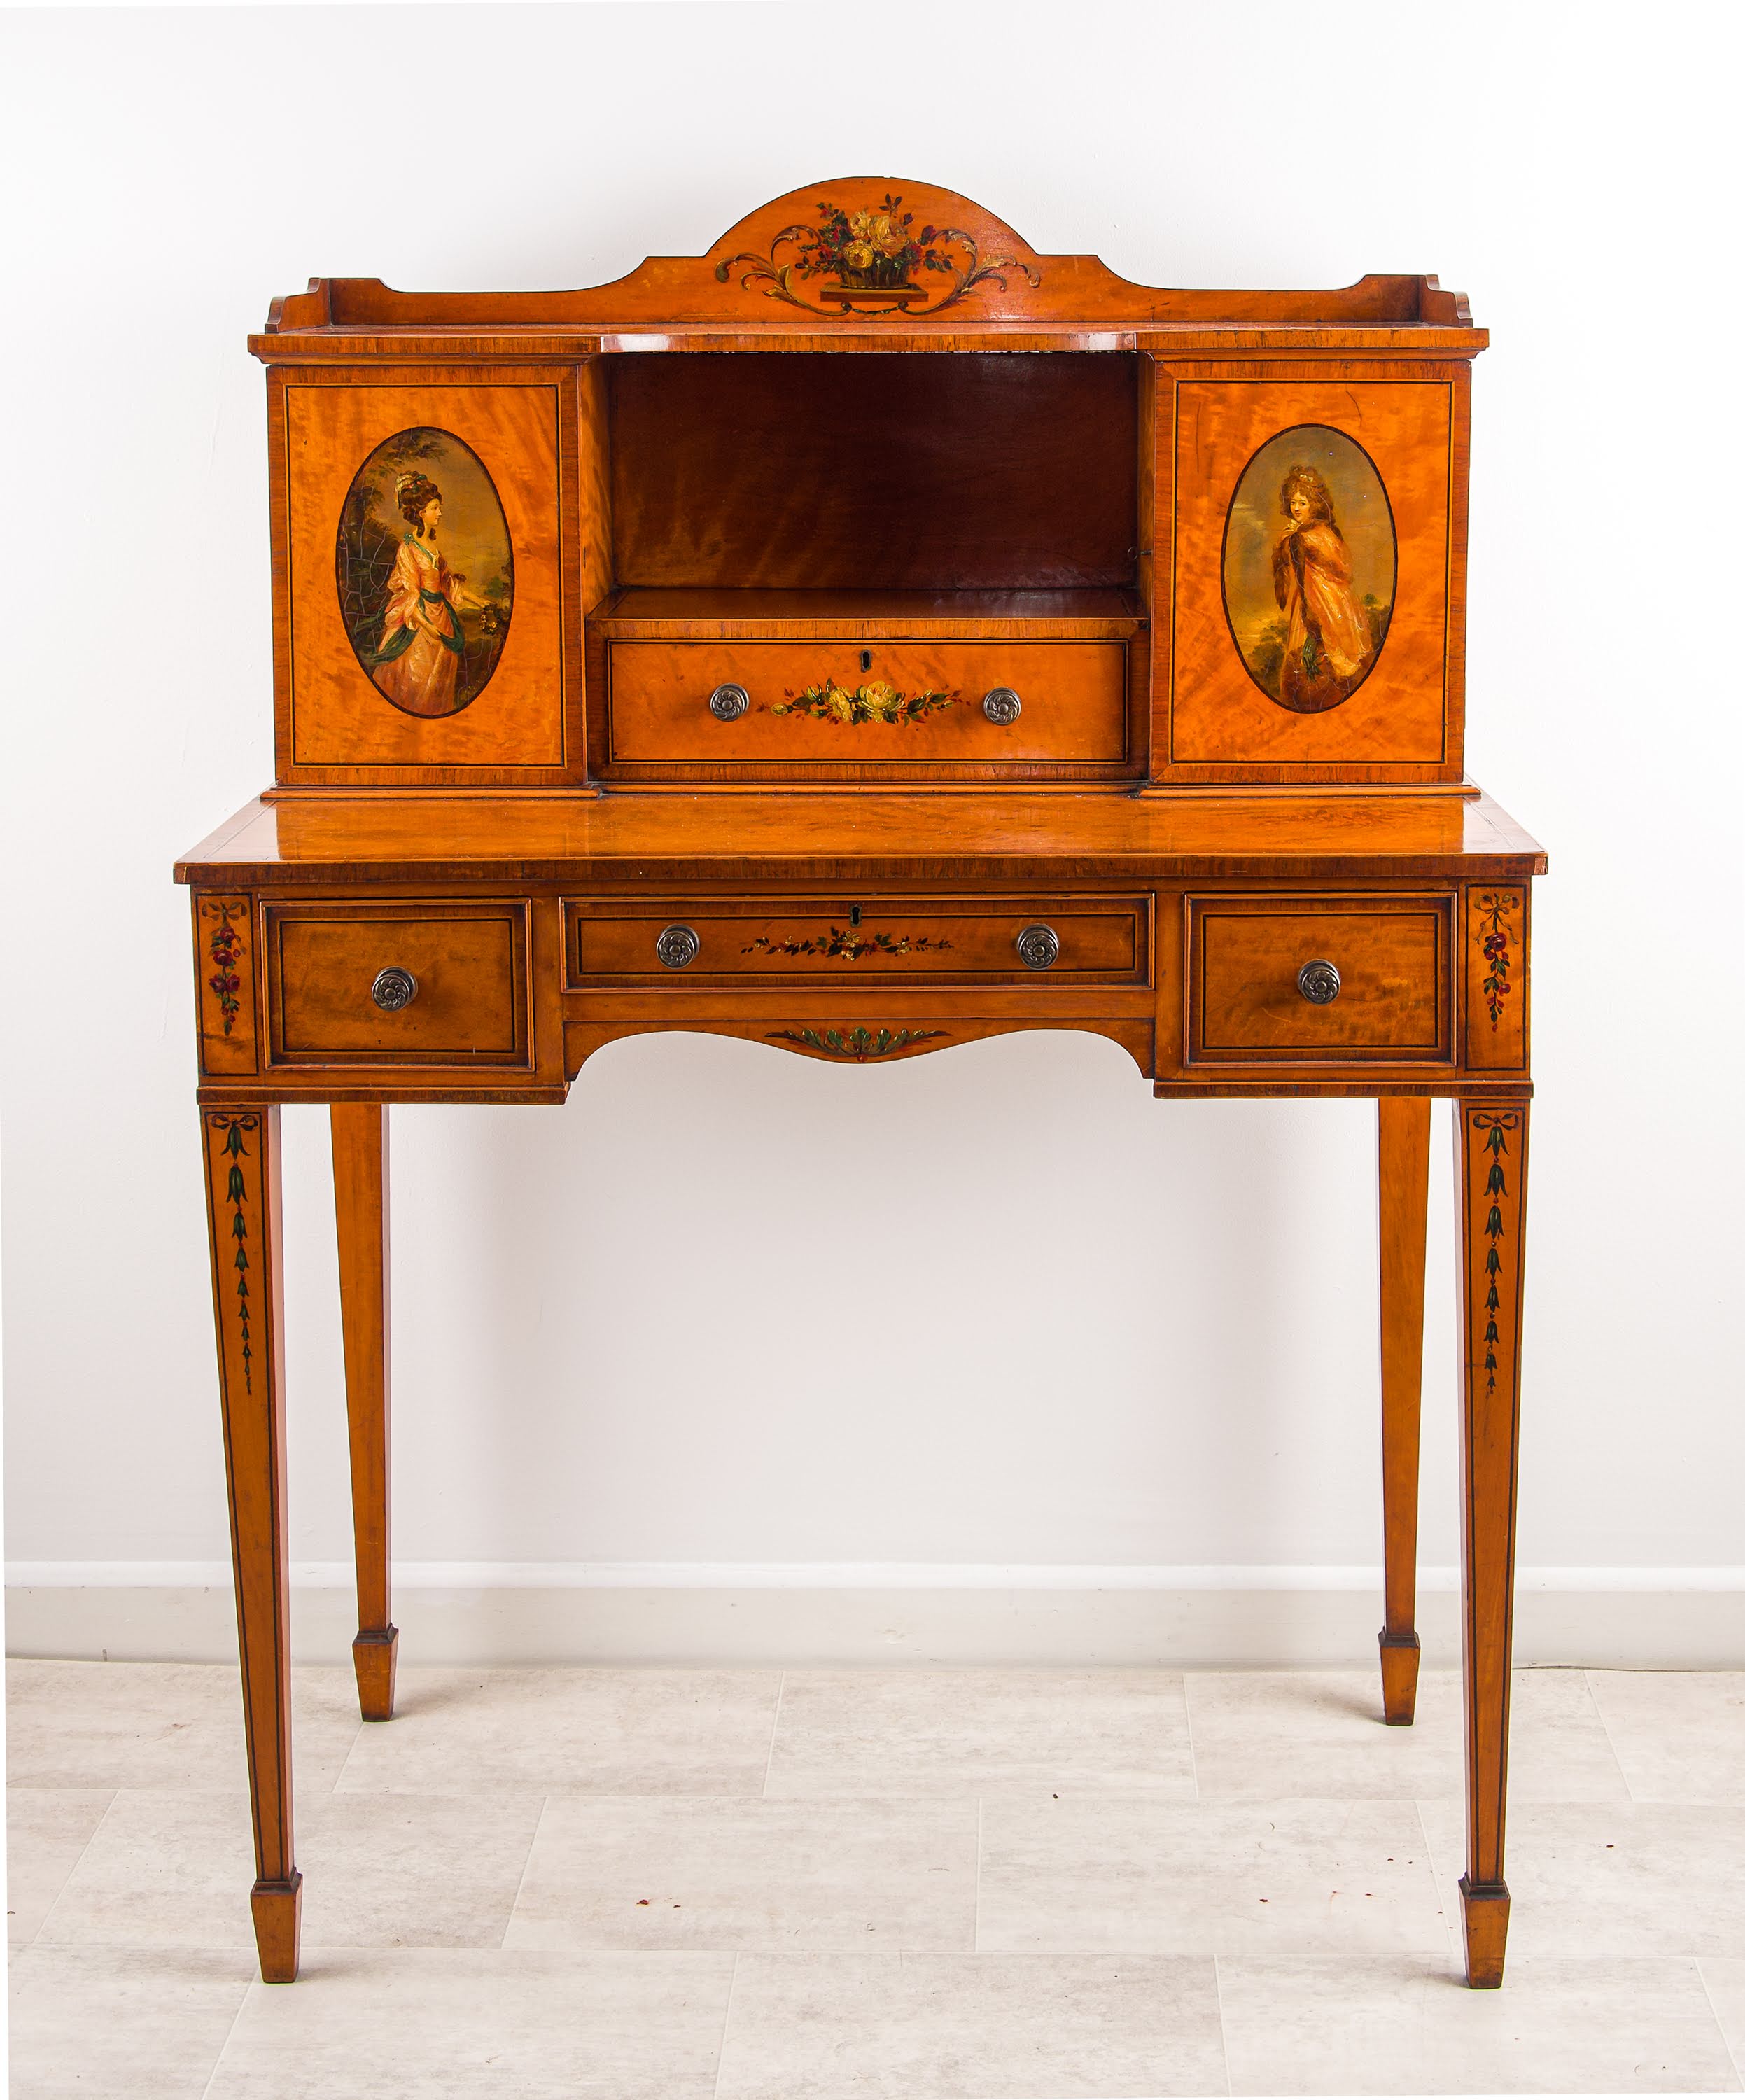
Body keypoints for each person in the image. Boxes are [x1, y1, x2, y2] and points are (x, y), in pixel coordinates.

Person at [369, 471, 484, 716]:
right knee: (415, 681)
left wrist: (481, 602)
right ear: (421, 514)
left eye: (438, 507)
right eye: (435, 508)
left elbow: (447, 585)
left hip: (443, 621)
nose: (440, 513)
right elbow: (410, 594)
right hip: (419, 626)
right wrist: (428, 627)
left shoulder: (433, 548)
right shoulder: (407, 550)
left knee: (439, 689)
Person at [1269, 464, 1378, 712]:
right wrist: (1286, 543)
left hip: (1324, 604)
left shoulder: (1313, 536)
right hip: (1323, 602)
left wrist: (1295, 542)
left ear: (1314, 504)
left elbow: (1338, 571)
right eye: (1294, 502)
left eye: (1303, 503)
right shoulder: (1310, 533)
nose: (1296, 508)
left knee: (1325, 667)